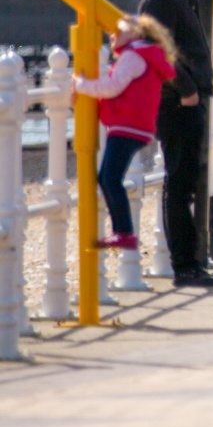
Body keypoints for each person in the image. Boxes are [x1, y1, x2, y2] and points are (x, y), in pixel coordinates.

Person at [134, 0, 213, 287]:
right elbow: (155, 49)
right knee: (179, 182)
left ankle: (190, 262)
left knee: (185, 182)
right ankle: (184, 266)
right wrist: (186, 88)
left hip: (187, 100)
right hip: (178, 103)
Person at [74, 15, 178, 254]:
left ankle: (124, 232)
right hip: (138, 126)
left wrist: (81, 84)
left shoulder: (133, 56)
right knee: (109, 177)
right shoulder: (147, 55)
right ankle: (123, 231)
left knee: (109, 178)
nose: (113, 34)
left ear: (137, 34)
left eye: (119, 30)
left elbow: (112, 88)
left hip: (127, 125)